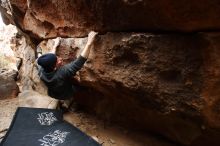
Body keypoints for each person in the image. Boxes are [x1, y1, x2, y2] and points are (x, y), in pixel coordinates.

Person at [37, 31, 98, 109]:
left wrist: (55, 46)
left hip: (53, 93)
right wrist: (89, 43)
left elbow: (48, 61)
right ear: (54, 67)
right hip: (66, 93)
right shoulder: (61, 73)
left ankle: (61, 101)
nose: (60, 58)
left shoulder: (41, 70)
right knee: (81, 87)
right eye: (58, 60)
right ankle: (71, 101)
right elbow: (79, 61)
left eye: (57, 57)